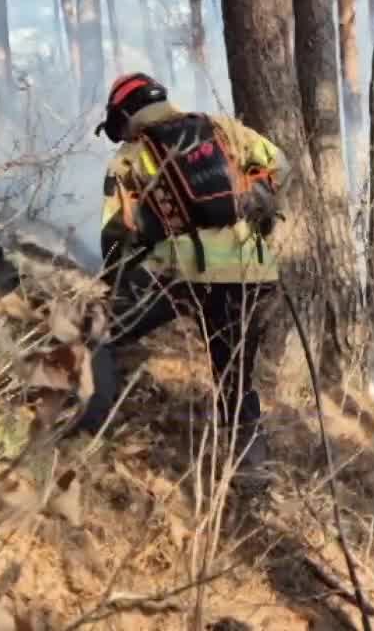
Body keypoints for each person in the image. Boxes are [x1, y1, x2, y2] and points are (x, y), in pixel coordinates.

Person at [77, 72, 285, 499]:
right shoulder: (226, 130)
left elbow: (117, 236)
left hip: (182, 275)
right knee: (235, 376)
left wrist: (118, 288)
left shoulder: (130, 159)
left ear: (126, 114)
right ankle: (252, 476)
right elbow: (280, 165)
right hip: (252, 274)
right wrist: (259, 206)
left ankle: (84, 424)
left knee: (102, 332)